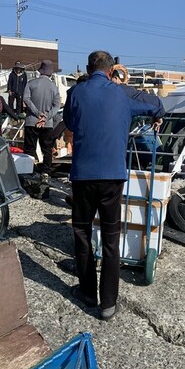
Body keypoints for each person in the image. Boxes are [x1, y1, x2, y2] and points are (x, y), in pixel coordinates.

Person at [64, 50, 162, 320]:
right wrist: (158, 114)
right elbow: (155, 103)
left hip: (83, 175)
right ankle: (108, 303)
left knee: (81, 232)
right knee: (111, 238)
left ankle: (87, 292)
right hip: (113, 176)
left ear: (88, 68)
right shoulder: (123, 94)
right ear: (111, 71)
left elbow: (70, 123)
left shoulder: (75, 93)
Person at [23, 60, 62, 172]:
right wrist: (46, 116)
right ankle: (46, 171)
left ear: (40, 71)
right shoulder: (54, 87)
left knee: (30, 149)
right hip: (47, 123)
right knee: (47, 149)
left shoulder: (30, 83)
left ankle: (28, 171)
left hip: (31, 121)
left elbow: (26, 99)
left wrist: (36, 113)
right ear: (50, 73)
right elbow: (57, 105)